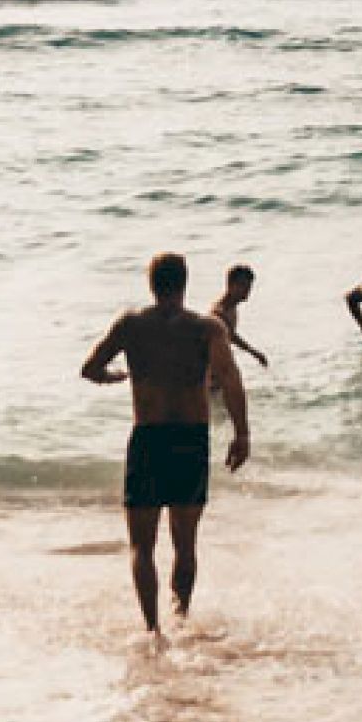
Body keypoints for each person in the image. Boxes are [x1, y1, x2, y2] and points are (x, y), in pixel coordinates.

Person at [81, 253, 250, 633]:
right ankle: (180, 618)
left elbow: (89, 369)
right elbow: (232, 379)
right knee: (185, 543)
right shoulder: (208, 328)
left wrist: (114, 377)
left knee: (142, 546)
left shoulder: (130, 324)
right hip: (190, 440)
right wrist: (242, 434)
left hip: (148, 438)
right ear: (185, 282)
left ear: (151, 284)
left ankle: (152, 630)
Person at [210, 263, 268, 370]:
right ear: (230, 285)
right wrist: (255, 353)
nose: (247, 291)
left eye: (249, 287)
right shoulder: (220, 312)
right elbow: (232, 336)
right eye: (243, 286)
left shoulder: (232, 307)